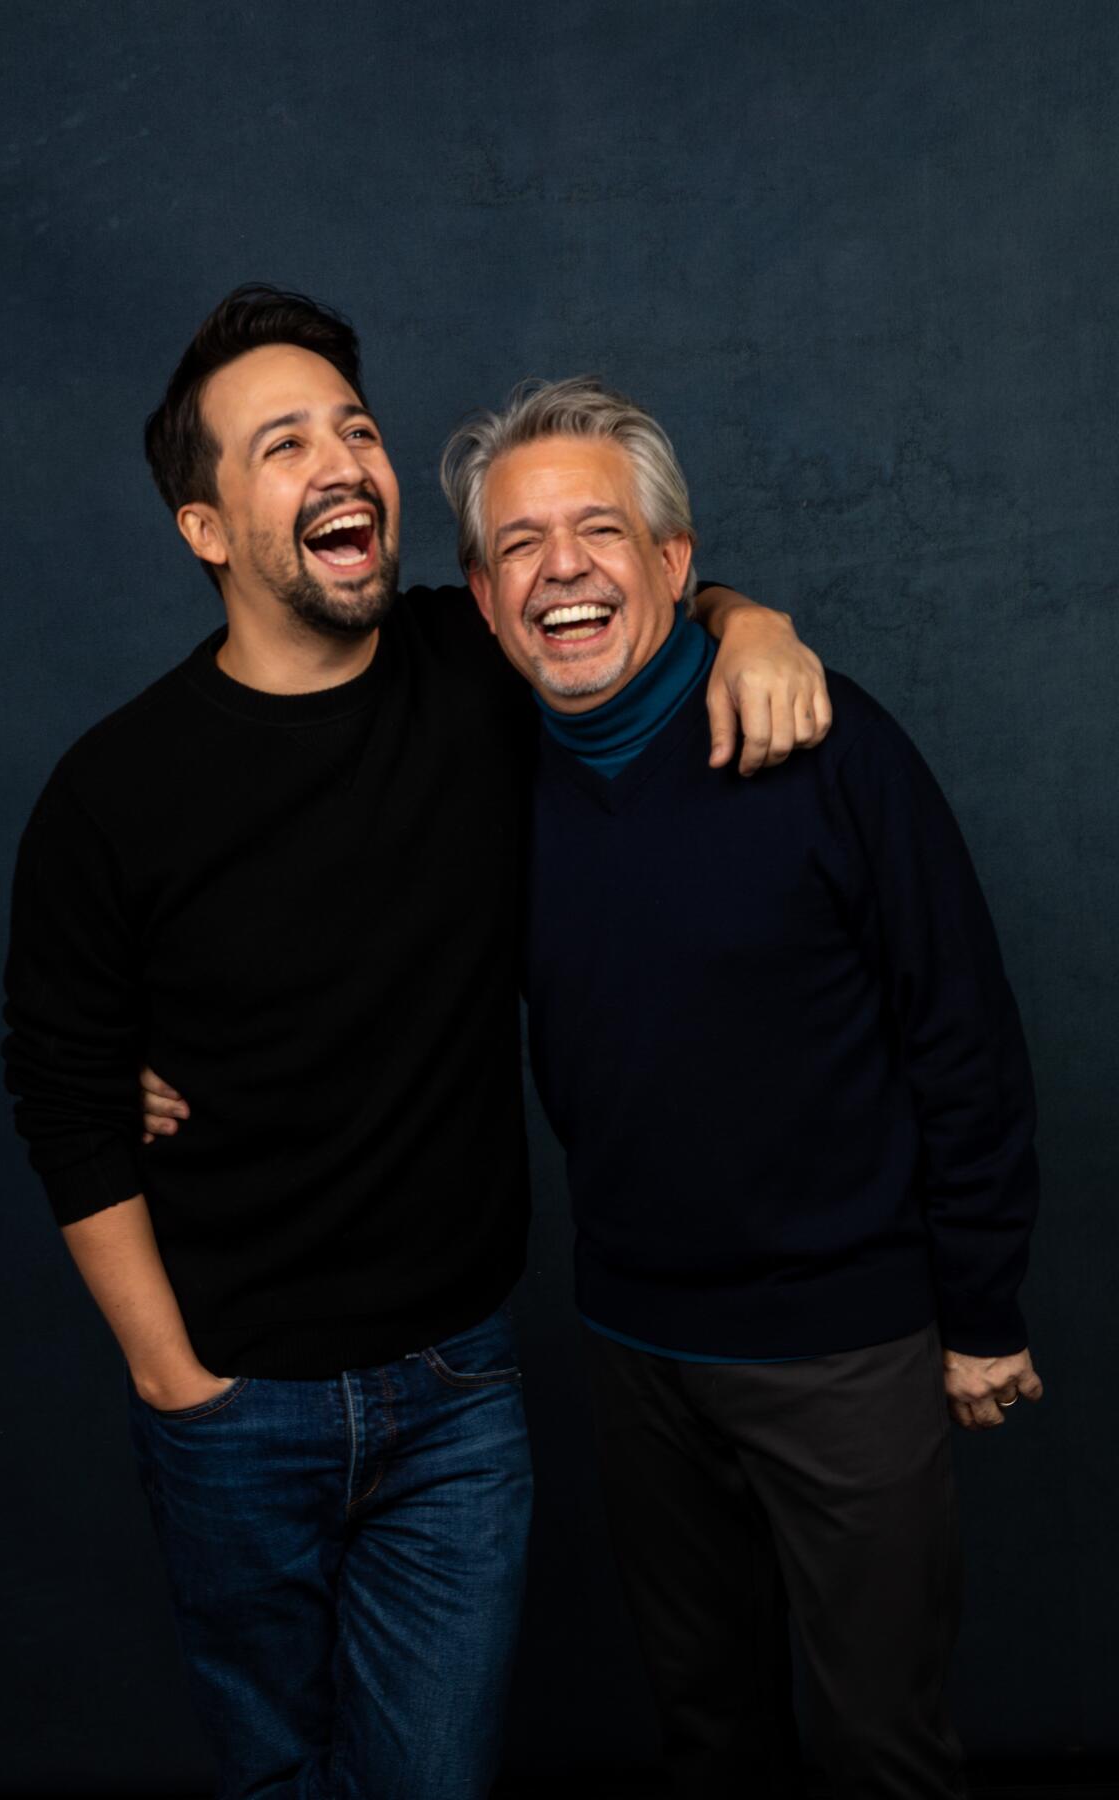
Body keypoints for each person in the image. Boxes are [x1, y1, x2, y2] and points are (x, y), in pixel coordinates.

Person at [2, 286, 831, 1800]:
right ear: (205, 529)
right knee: (278, 1778)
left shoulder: (472, 678)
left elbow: (609, 600)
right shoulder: (110, 793)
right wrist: (174, 1381)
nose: (345, 461)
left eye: (359, 429)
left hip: (458, 1391)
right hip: (232, 1398)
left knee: (428, 1782)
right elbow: (59, 1089)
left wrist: (748, 620)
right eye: (282, 444)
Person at [434, 377, 1043, 1800]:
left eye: (600, 530)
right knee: (710, 1739)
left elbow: (962, 1031)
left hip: (849, 1349)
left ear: (675, 564)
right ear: (478, 595)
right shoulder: (485, 771)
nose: (562, 566)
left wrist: (984, 1310)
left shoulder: (821, 743)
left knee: (879, 1749)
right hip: (634, 1346)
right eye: (521, 544)